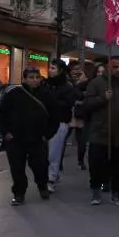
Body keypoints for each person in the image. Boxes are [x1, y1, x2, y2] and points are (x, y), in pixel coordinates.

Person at [0, 67, 58, 205]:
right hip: (15, 139)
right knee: (17, 168)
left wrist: (47, 134)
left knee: (40, 166)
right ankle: (19, 193)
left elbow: (55, 117)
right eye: (31, 77)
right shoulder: (13, 94)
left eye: (37, 77)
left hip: (37, 139)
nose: (34, 80)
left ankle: (42, 186)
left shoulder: (46, 95)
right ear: (24, 79)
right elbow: (2, 115)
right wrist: (5, 132)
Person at [78, 56, 119, 206]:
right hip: (100, 132)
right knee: (96, 164)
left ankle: (116, 193)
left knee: (118, 166)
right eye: (115, 67)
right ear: (108, 67)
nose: (118, 70)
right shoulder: (96, 83)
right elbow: (87, 104)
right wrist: (103, 98)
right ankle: (96, 192)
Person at [44, 59, 80, 193]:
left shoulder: (67, 87)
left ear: (60, 71)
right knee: (44, 153)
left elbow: (68, 103)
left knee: (53, 152)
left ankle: (51, 179)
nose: (50, 70)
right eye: (50, 67)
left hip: (60, 122)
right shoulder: (45, 85)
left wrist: (51, 103)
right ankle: (54, 175)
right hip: (45, 122)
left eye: (53, 68)